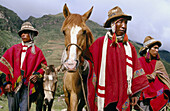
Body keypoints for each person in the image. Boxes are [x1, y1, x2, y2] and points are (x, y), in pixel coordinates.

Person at [86, 6, 149, 111]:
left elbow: (135, 70)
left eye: (125, 23)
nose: (124, 26)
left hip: (123, 94)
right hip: (104, 96)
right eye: (120, 22)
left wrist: (135, 94)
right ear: (112, 24)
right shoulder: (100, 44)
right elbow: (89, 63)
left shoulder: (130, 48)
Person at [0, 22, 47, 111]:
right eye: (22, 33)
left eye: (26, 32)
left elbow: (43, 67)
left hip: (27, 85)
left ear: (31, 34)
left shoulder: (37, 51)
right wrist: (6, 82)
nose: (23, 35)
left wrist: (36, 75)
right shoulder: (14, 49)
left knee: (24, 109)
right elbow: (2, 66)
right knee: (12, 109)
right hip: (12, 85)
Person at [138, 36, 170, 111]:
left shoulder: (159, 64)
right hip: (144, 97)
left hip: (159, 97)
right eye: (155, 48)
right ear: (148, 49)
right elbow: (137, 78)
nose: (157, 50)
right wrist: (152, 75)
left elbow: (166, 79)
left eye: (157, 48)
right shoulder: (139, 62)